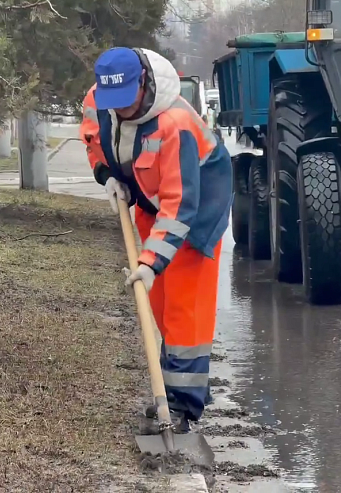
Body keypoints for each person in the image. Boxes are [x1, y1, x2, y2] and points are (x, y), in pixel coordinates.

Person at [79, 47, 233, 432]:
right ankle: (173, 386)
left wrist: (150, 262)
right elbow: (94, 139)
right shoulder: (98, 101)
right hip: (151, 198)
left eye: (127, 98)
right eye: (113, 101)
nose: (121, 109)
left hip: (195, 211)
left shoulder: (174, 122)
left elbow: (180, 205)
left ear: (143, 82)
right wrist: (106, 176)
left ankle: (182, 406)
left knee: (184, 308)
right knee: (160, 303)